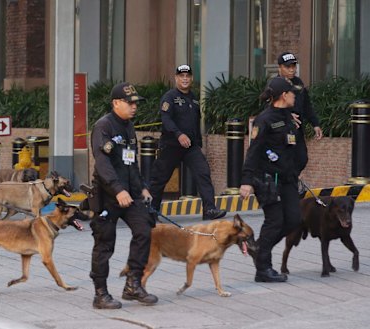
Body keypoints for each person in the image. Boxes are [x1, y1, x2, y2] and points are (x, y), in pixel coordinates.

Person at [89, 82, 158, 309]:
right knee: (104, 244)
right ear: (116, 103)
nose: (134, 107)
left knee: (144, 231)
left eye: (136, 103)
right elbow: (103, 164)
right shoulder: (103, 127)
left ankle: (133, 284)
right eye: (130, 103)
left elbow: (131, 162)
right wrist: (118, 190)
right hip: (108, 195)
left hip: (130, 194)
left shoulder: (129, 127)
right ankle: (101, 294)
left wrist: (141, 188)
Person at [239, 77, 302, 283]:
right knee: (274, 221)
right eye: (292, 93)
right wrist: (247, 180)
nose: (295, 95)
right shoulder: (264, 120)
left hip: (287, 179)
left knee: (293, 220)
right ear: (284, 95)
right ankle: (263, 269)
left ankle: (259, 247)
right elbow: (253, 151)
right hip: (267, 180)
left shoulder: (289, 116)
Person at [149, 64, 226, 220]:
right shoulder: (169, 97)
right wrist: (178, 134)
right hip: (171, 145)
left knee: (203, 172)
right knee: (159, 179)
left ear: (191, 78)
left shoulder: (194, 98)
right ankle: (151, 211)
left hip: (191, 147)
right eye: (181, 76)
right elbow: (166, 119)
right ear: (176, 78)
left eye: (187, 76)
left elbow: (195, 123)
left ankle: (209, 209)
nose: (185, 79)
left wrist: (198, 144)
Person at [277, 52, 323, 175]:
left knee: (302, 158)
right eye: (288, 67)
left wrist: (315, 124)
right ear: (280, 67)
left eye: (293, 66)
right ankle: (286, 185)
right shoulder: (275, 84)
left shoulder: (298, 83)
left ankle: (290, 181)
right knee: (285, 158)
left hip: (297, 130)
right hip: (282, 129)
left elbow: (307, 105)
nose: (292, 70)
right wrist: (287, 114)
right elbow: (268, 107)